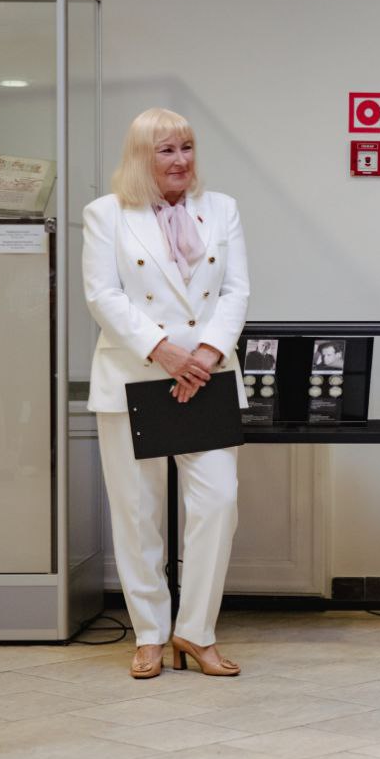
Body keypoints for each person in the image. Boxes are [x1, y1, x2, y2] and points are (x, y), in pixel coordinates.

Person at [82, 108, 250, 678]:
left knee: (219, 502)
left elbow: (235, 291)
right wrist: (163, 350)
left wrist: (206, 354)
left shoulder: (221, 208)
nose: (181, 160)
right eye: (167, 150)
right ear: (141, 157)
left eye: (187, 147)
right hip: (134, 374)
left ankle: (195, 631)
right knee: (137, 514)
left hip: (206, 376)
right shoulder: (106, 214)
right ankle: (150, 634)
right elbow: (102, 295)